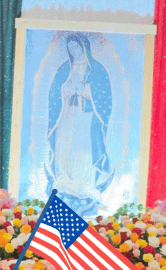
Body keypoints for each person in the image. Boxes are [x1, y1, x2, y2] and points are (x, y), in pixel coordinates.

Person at [45, 33, 114, 217]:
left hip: (86, 116)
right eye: (71, 49)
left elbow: (104, 97)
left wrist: (84, 90)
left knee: (83, 147)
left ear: (84, 47)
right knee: (64, 145)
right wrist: (66, 89)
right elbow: (54, 92)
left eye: (76, 47)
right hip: (67, 114)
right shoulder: (64, 68)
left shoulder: (96, 69)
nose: (74, 51)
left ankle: (85, 184)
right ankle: (64, 181)